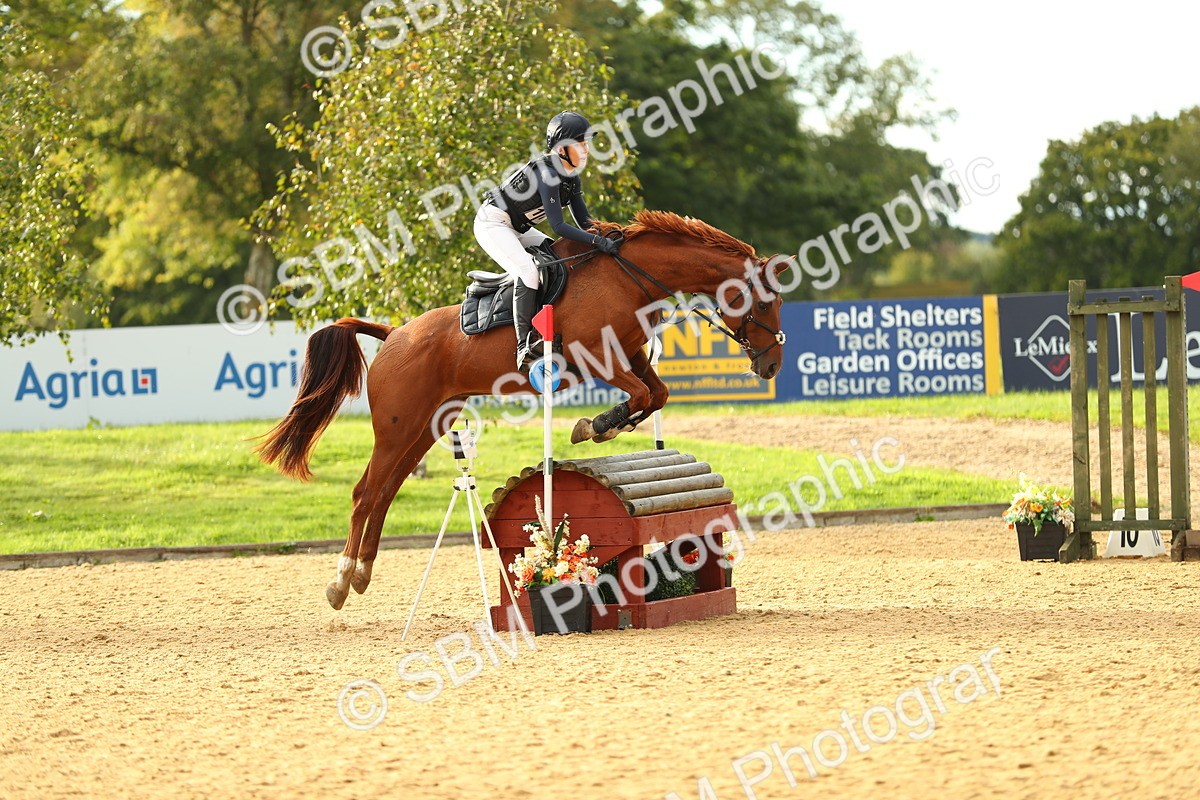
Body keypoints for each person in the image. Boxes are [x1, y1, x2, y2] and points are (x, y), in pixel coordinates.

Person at [474, 110, 622, 373]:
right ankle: (524, 346)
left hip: (518, 227)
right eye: (581, 143)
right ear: (563, 149)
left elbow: (585, 222)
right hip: (492, 223)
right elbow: (559, 226)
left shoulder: (570, 177)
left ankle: (549, 329)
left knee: (554, 259)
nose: (587, 150)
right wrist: (598, 243)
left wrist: (610, 235)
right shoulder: (548, 172)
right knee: (529, 271)